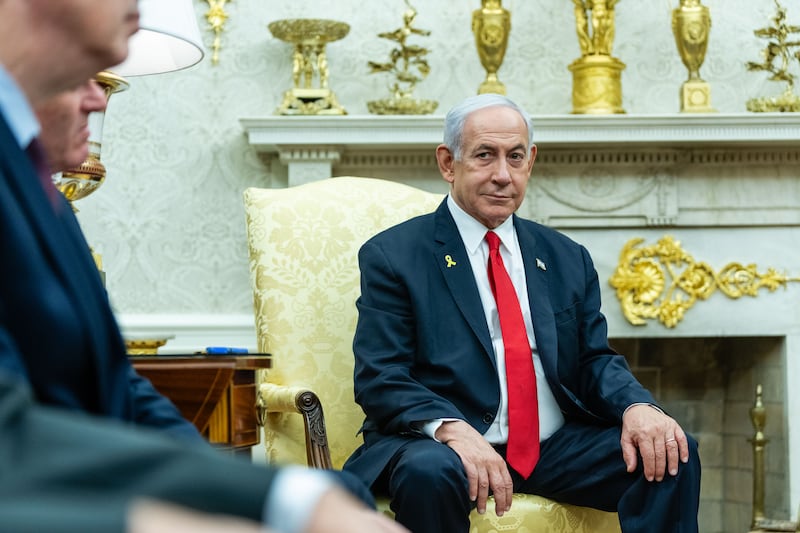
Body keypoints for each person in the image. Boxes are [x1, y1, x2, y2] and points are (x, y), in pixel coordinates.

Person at [0, 0, 399, 530]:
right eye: (83, 82)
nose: (97, 98)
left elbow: (119, 389)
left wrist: (262, 492)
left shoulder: (32, 174)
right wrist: (282, 503)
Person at [343, 93, 701, 533]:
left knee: (671, 452)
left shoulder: (566, 256)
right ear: (448, 163)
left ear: (530, 162)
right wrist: (453, 430)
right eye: (484, 156)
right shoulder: (394, 255)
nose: (502, 175)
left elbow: (592, 359)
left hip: (552, 448)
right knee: (428, 472)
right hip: (445, 447)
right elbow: (381, 375)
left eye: (515, 157)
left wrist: (637, 406)